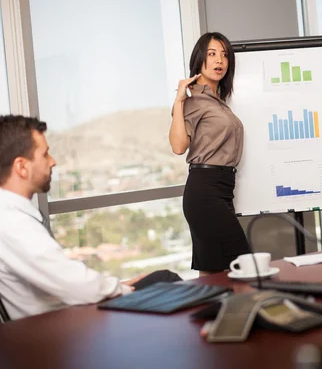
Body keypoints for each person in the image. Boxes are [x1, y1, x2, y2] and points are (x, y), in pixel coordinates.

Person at [0, 115, 181, 321]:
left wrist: (117, 286)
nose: (53, 161)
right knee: (166, 280)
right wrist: (120, 288)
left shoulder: (11, 215)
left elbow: (63, 278)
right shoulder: (13, 223)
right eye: (45, 154)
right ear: (22, 167)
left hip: (68, 309)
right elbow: (73, 282)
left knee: (159, 279)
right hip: (69, 322)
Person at [169, 32, 250, 274]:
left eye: (224, 55)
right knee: (242, 267)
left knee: (213, 271)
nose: (219, 61)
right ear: (199, 59)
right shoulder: (193, 102)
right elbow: (178, 146)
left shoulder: (218, 102)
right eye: (212, 54)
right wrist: (178, 101)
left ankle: (211, 311)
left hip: (222, 190)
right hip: (205, 191)